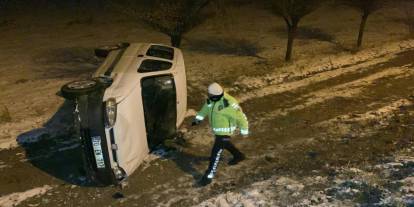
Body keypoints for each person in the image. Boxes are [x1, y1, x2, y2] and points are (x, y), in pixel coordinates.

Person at [192, 82, 249, 186]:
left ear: (216, 95)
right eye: (209, 95)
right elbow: (206, 108)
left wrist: (244, 131)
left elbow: (240, 117)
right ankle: (238, 155)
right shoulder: (211, 99)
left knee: (216, 153)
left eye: (211, 95)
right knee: (225, 144)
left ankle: (208, 176)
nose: (209, 97)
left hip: (225, 132)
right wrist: (198, 119)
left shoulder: (230, 103)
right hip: (218, 131)